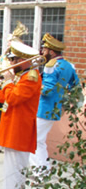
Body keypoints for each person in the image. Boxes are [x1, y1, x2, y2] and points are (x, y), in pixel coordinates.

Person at [0, 40, 42, 189]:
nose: (11, 62)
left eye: (14, 59)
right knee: (11, 172)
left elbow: (13, 98)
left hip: (18, 130)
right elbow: (8, 96)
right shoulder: (22, 75)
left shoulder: (31, 78)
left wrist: (7, 81)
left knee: (14, 174)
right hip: (13, 128)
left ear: (24, 60)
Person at [30, 34, 79, 172]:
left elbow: (47, 90)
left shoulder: (50, 65)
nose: (42, 52)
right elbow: (75, 86)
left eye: (44, 50)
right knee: (40, 139)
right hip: (56, 109)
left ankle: (38, 170)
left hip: (44, 108)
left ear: (51, 52)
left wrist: (34, 86)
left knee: (34, 140)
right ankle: (44, 167)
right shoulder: (68, 65)